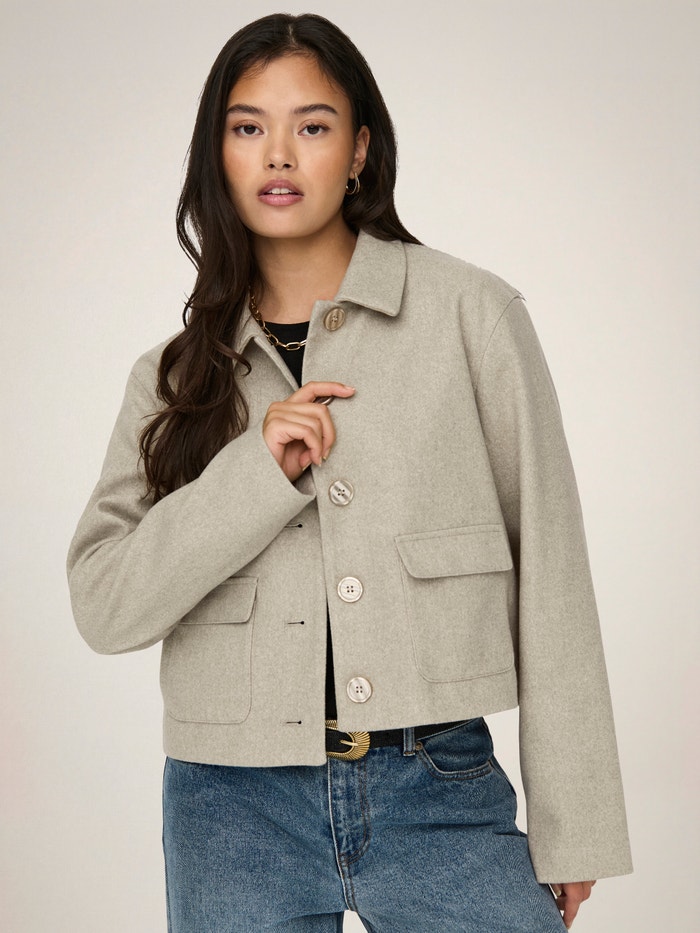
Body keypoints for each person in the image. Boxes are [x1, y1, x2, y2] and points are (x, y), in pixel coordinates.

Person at [67, 12, 632, 932]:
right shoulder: (175, 375)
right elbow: (103, 604)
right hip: (229, 807)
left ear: (360, 148)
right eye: (248, 126)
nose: (278, 154)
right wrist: (254, 471)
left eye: (313, 125)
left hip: (438, 785)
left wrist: (577, 826)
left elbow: (554, 573)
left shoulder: (471, 317)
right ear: (218, 154)